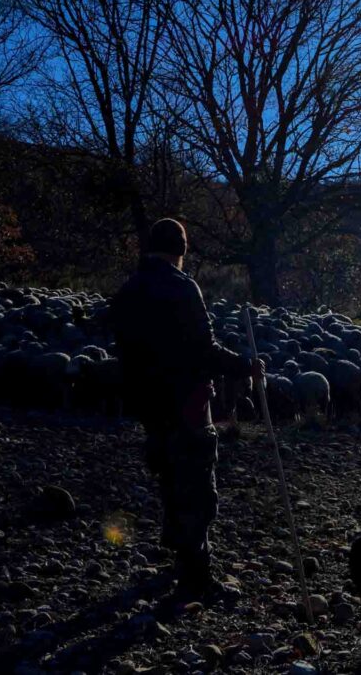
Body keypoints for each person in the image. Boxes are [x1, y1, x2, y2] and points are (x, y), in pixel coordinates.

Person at [110, 218, 265, 602]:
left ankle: (178, 558)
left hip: (149, 404)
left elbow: (125, 351)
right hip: (188, 402)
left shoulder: (130, 289)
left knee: (169, 477)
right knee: (197, 488)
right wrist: (245, 366)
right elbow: (204, 349)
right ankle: (196, 576)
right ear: (181, 250)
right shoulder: (182, 288)